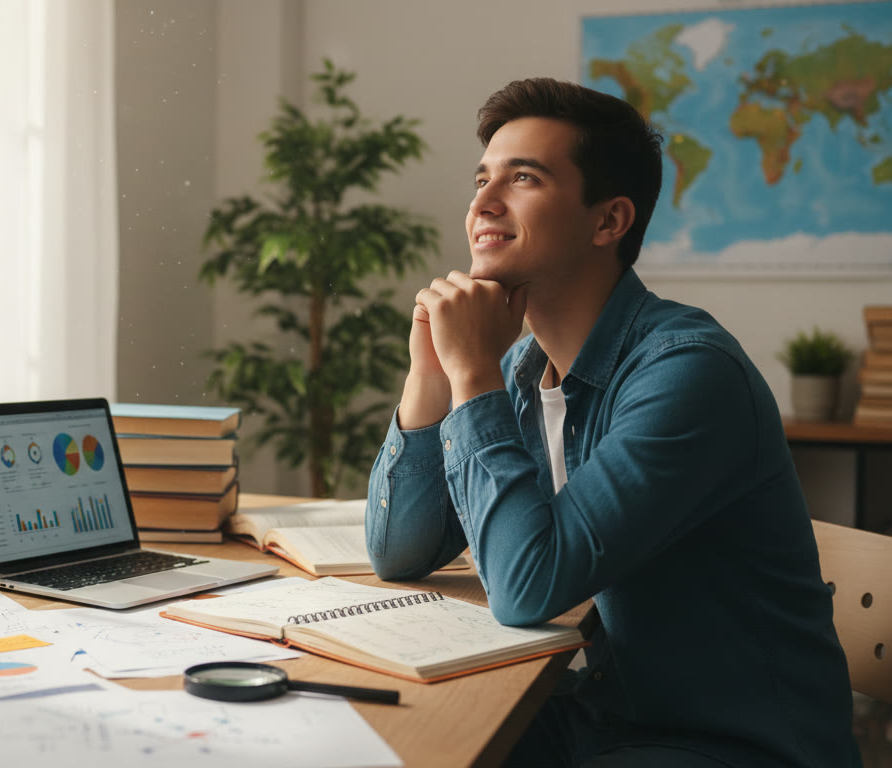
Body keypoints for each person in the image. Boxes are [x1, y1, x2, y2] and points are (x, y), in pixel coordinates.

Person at [365, 78, 858, 767]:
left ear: (609, 222)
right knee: (398, 744)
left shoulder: (688, 374)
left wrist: (471, 374)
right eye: (482, 179)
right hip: (604, 714)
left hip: (729, 743)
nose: (482, 203)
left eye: (524, 177)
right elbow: (399, 554)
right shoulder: (520, 369)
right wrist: (432, 374)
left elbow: (526, 588)